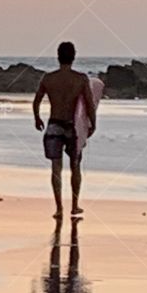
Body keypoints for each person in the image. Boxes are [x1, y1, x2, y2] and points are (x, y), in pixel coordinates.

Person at [33, 42, 97, 219]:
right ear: (74, 56)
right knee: (75, 165)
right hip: (71, 127)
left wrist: (37, 118)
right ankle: (75, 206)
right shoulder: (81, 79)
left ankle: (59, 208)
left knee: (56, 168)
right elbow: (90, 104)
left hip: (53, 124)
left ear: (58, 56)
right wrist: (93, 123)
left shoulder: (48, 78)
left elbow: (36, 100)